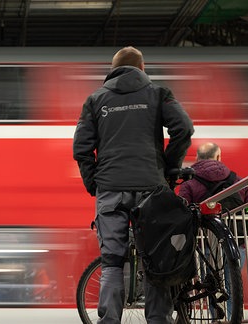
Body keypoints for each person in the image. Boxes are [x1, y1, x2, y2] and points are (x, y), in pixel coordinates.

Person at [73, 46, 194, 324]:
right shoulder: (158, 93)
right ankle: (158, 320)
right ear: (142, 69)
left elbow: (81, 147)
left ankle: (110, 320)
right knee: (155, 258)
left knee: (112, 261)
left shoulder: (95, 99)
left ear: (112, 69)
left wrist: (93, 181)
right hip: (151, 187)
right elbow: (183, 128)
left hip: (111, 187)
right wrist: (169, 167)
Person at [178, 142, 248, 266]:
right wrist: (243, 242)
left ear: (198, 157)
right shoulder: (238, 181)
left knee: (211, 283)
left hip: (203, 245)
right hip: (234, 243)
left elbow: (182, 211)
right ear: (218, 157)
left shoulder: (188, 183)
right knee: (232, 284)